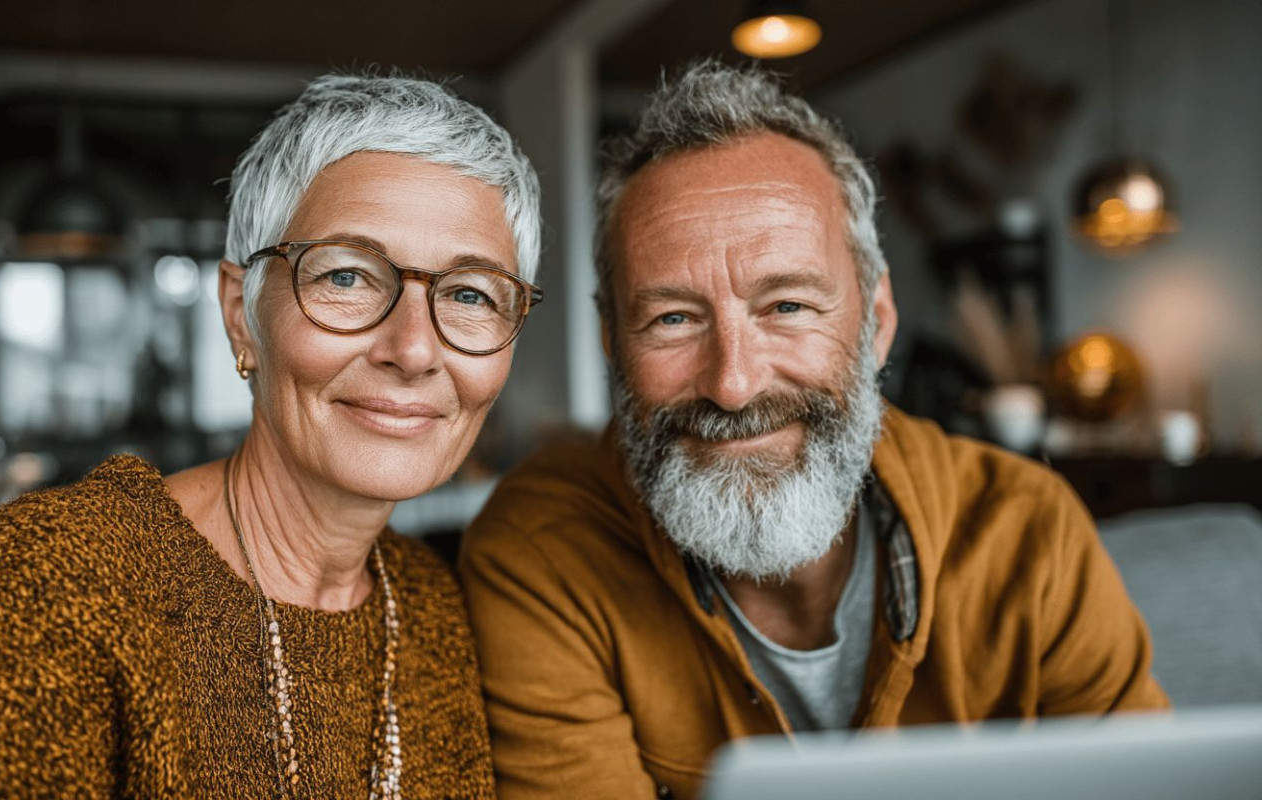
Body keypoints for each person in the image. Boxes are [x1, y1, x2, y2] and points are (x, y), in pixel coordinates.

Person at [459, 61, 1167, 800]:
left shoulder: (1032, 537)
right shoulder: (542, 556)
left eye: (787, 306)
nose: (733, 384)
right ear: (613, 344)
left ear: (878, 322)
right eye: (673, 319)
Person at [0, 73, 543, 799]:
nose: (412, 349)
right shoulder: (47, 587)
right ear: (240, 315)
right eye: (347, 277)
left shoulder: (432, 609)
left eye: (470, 294)